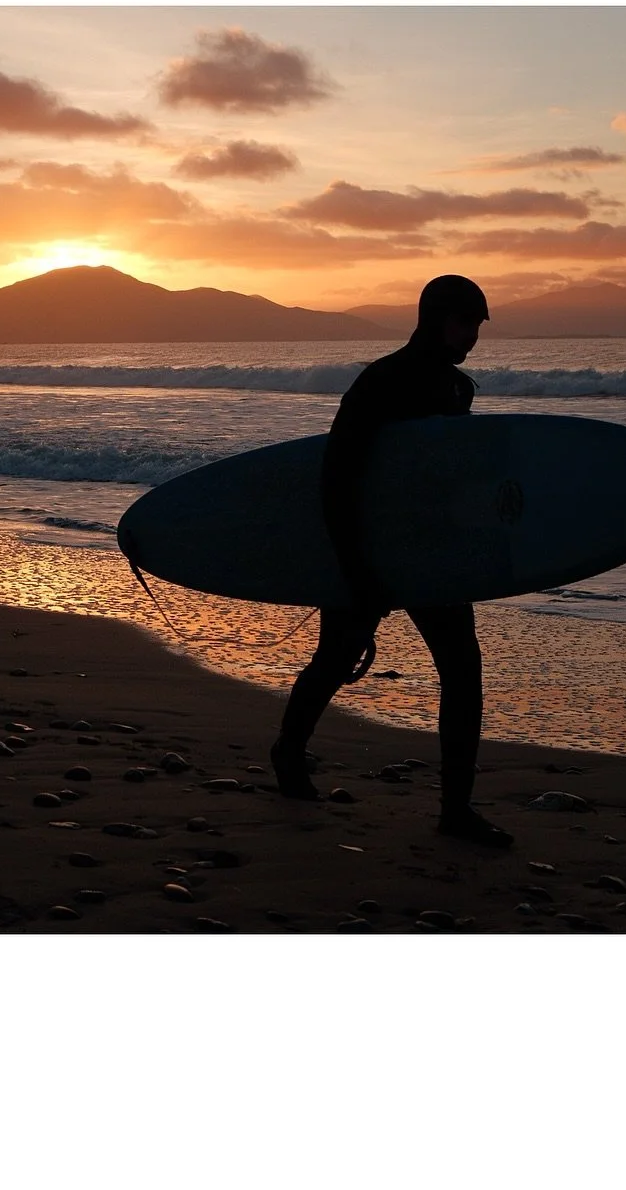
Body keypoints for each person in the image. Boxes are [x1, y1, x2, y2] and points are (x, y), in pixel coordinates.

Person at [269, 274, 514, 849]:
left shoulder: (459, 390)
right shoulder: (381, 382)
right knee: (336, 658)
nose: (473, 335)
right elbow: (338, 477)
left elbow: (454, 484)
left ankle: (456, 810)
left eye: (479, 325)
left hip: (432, 554)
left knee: (462, 671)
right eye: (465, 322)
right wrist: (355, 565)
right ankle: (288, 749)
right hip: (372, 545)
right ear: (435, 318)